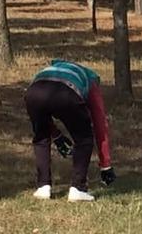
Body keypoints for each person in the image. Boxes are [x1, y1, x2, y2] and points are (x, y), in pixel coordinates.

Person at [24, 59, 116, 201]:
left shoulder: (50, 70)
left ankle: (43, 187)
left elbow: (45, 100)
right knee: (84, 139)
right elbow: (99, 122)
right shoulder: (90, 79)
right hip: (66, 93)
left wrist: (56, 135)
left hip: (33, 92)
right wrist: (106, 165)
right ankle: (78, 188)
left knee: (41, 138)